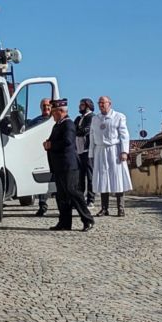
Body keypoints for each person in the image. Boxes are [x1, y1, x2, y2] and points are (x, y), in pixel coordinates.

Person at [43, 99, 95, 233]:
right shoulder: (57, 125)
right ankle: (64, 222)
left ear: (61, 111)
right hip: (59, 165)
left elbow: (68, 142)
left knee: (73, 192)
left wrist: (52, 145)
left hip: (68, 165)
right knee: (62, 195)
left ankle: (87, 219)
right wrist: (48, 143)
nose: (52, 115)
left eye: (54, 112)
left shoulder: (68, 124)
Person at [88, 96, 133, 217]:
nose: (101, 105)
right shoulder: (95, 119)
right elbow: (91, 137)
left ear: (110, 103)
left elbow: (124, 135)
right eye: (100, 103)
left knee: (117, 177)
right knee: (103, 179)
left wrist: (124, 151)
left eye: (103, 103)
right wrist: (91, 153)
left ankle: (120, 207)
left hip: (114, 149)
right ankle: (104, 208)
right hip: (100, 150)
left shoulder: (118, 117)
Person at [26, 98, 53, 216]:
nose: (46, 107)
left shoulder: (55, 120)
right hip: (39, 154)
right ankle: (42, 204)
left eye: (48, 105)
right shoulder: (35, 121)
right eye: (44, 105)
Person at [74, 98, 96, 210]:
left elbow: (85, 131)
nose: (79, 107)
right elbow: (73, 130)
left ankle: (91, 199)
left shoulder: (92, 117)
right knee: (80, 176)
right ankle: (80, 199)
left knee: (90, 176)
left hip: (88, 150)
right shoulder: (79, 118)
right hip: (78, 150)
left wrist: (78, 130)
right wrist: (78, 130)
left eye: (82, 105)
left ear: (87, 106)